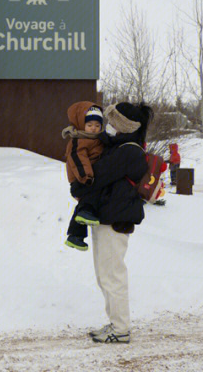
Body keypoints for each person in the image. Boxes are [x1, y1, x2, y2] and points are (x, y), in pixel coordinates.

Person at [84, 101, 153, 344]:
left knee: (112, 275)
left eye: (113, 121)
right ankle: (115, 323)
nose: (108, 126)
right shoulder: (121, 146)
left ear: (123, 125)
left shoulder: (128, 151)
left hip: (116, 220)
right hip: (108, 217)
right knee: (105, 275)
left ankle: (121, 329)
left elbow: (98, 174)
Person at [61, 102, 105, 251]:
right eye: (90, 124)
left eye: (97, 125)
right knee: (89, 200)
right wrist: (86, 177)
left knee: (82, 207)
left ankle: (75, 236)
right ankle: (86, 212)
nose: (94, 128)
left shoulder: (96, 140)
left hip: (87, 179)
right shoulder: (78, 139)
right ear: (81, 124)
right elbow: (78, 159)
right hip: (82, 180)